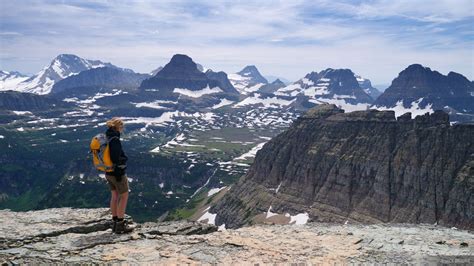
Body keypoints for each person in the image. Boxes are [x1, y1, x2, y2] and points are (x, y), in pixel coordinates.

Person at [105, 117, 133, 234]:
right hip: (117, 172)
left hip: (108, 171)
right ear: (119, 127)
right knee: (124, 196)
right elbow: (116, 157)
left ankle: (115, 221)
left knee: (114, 195)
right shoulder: (115, 139)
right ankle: (121, 224)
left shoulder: (106, 136)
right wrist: (123, 160)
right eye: (122, 127)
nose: (122, 129)